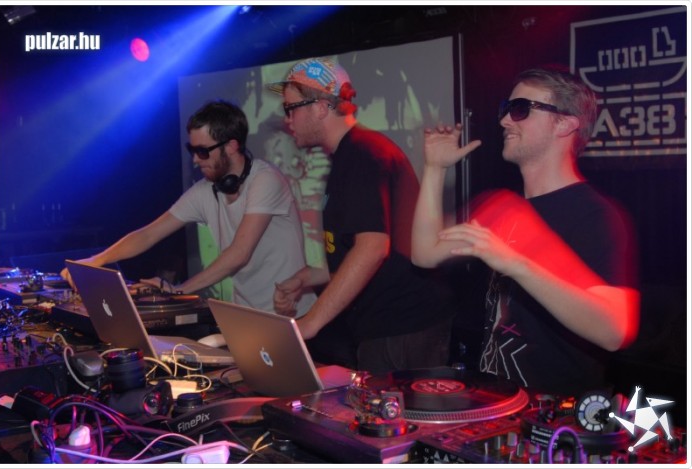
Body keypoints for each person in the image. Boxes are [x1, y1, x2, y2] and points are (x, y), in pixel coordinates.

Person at [411, 65, 640, 396]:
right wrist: (434, 169)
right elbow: (424, 253)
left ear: (565, 123)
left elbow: (614, 331)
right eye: (506, 108)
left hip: (556, 414)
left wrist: (516, 263)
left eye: (520, 109)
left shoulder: (595, 215)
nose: (505, 120)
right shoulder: (503, 208)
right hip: (498, 402)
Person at [268, 57, 456, 374]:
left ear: (321, 107)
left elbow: (373, 249)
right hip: (391, 327)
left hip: (402, 328)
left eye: (291, 108)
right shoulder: (352, 153)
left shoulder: (363, 155)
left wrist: (309, 324)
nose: (287, 119)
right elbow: (370, 249)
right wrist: (307, 277)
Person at [61, 100, 315, 316]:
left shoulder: (265, 179)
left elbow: (239, 253)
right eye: (191, 150)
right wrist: (97, 260)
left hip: (294, 315)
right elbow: (148, 234)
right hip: (249, 315)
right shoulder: (205, 191)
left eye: (203, 151)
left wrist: (177, 291)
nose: (195, 159)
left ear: (231, 146)